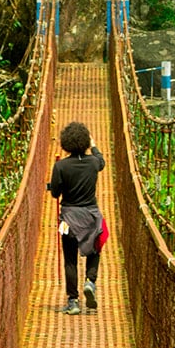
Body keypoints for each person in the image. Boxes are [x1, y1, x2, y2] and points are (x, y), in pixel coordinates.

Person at [47, 121, 105, 315]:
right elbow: (101, 160)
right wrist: (94, 145)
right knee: (94, 250)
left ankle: (73, 302)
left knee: (70, 259)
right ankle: (90, 281)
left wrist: (55, 186)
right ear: (85, 141)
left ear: (66, 142)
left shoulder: (61, 166)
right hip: (91, 216)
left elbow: (55, 193)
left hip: (69, 219)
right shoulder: (93, 163)